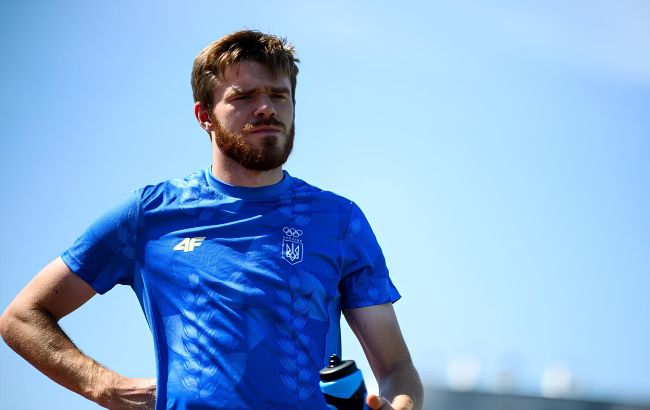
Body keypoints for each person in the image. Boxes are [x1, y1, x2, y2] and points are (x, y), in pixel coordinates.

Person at [0, 30, 423, 410]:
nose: (266, 108)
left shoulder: (339, 220)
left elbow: (396, 368)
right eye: (244, 97)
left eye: (279, 96)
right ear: (204, 116)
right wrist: (107, 388)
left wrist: (399, 406)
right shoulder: (149, 214)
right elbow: (22, 317)